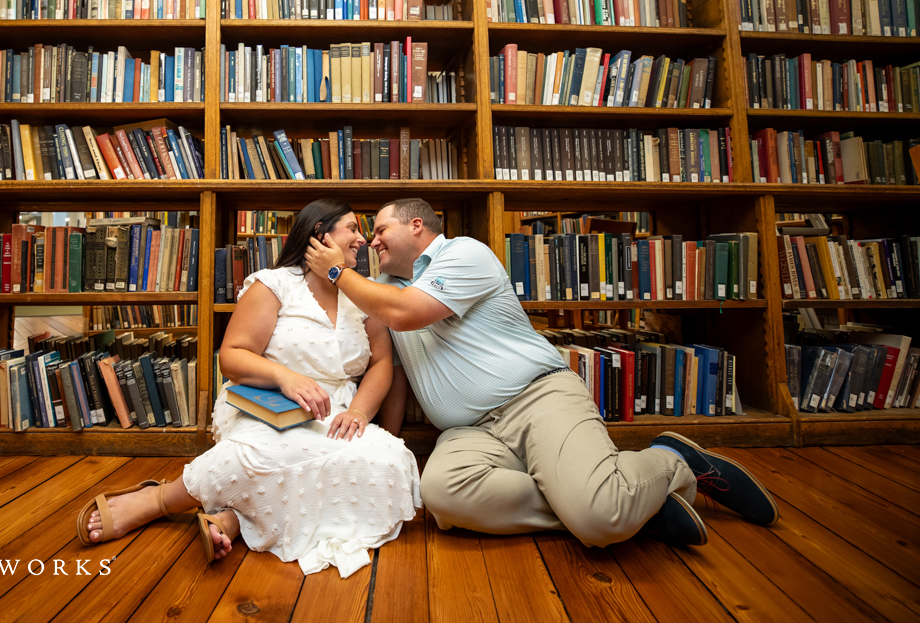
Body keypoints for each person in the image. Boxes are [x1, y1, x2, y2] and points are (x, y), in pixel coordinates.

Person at [303, 198, 778, 547]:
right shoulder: (380, 288)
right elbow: (396, 370)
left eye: (381, 229)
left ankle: (674, 462)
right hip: (470, 431)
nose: (373, 240)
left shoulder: (462, 254)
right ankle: (616, 499)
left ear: (417, 225)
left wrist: (338, 273)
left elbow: (407, 313)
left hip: (535, 399)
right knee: (443, 496)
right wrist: (390, 442)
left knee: (600, 519)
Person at [79, 199, 421, 577]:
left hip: (337, 411)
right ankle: (160, 498)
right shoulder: (273, 284)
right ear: (320, 236)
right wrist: (285, 377)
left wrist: (358, 411)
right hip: (269, 404)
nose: (362, 240)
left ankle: (236, 519)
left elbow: (380, 364)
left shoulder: (363, 292)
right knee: (266, 453)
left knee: (389, 462)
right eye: (352, 229)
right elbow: (233, 356)